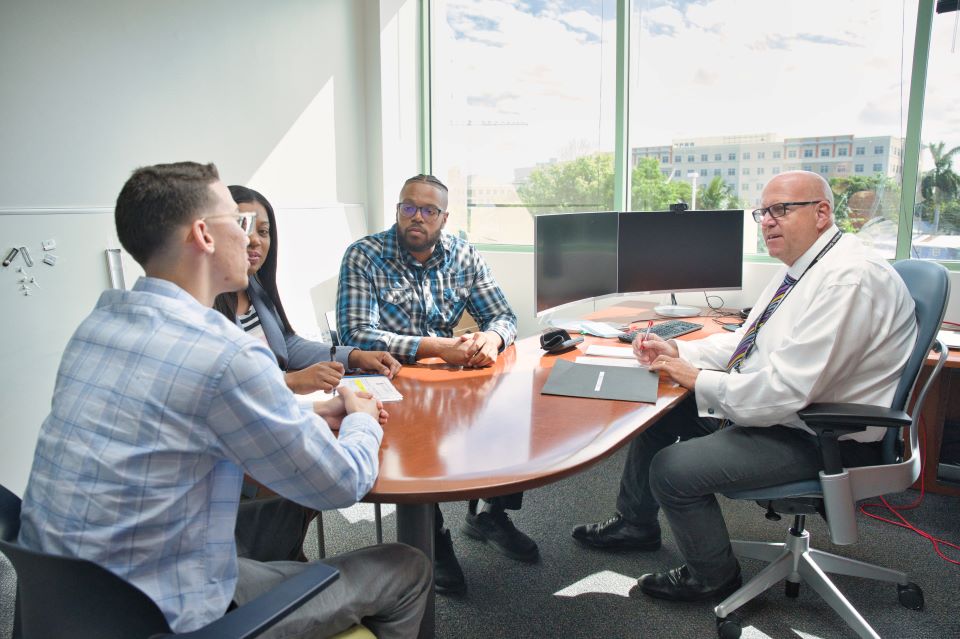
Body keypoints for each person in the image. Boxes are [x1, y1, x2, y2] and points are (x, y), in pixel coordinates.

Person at [18, 162, 430, 638]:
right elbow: (342, 484)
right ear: (204, 235)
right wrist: (361, 418)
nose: (250, 238)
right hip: (173, 615)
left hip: (77, 602)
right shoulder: (223, 353)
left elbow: (184, 418)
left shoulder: (97, 327)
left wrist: (313, 409)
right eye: (238, 222)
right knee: (407, 565)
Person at [572, 170, 918, 603]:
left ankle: (712, 577)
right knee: (659, 408)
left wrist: (699, 380)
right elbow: (747, 344)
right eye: (764, 212)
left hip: (822, 434)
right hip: (792, 411)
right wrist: (680, 354)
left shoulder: (847, 279)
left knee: (673, 469)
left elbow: (784, 393)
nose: (768, 221)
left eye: (782, 210)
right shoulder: (803, 265)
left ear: (822, 213)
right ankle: (635, 524)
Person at [336, 173, 535, 595]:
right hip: (390, 379)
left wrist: (491, 338)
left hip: (445, 379)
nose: (417, 217)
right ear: (397, 210)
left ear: (444, 218)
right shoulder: (364, 256)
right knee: (418, 453)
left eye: (429, 210)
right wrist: (435, 346)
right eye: (409, 207)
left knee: (511, 413)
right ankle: (434, 538)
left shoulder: (465, 255)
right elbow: (354, 333)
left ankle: (488, 514)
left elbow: (503, 315)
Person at [215, 185, 402, 563]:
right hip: (236, 452)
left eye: (264, 231)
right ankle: (271, 560)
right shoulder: (207, 306)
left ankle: (281, 553)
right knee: (320, 478)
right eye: (243, 225)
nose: (255, 239)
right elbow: (223, 392)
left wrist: (355, 356)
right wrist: (292, 383)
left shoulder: (253, 287)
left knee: (310, 482)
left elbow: (286, 344)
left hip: (266, 423)